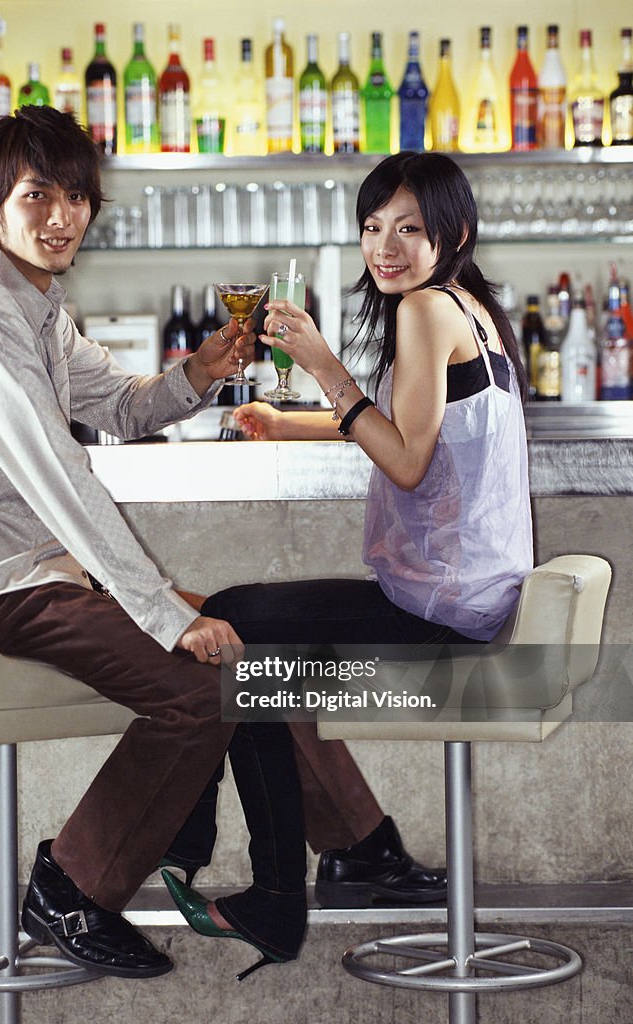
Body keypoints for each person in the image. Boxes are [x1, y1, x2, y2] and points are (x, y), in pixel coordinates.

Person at [0, 105, 309, 982]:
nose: (61, 215)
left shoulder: (32, 305)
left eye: (76, 195)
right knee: (201, 684)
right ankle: (71, 886)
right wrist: (157, 611)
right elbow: (59, 478)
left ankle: (350, 851)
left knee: (246, 643)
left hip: (28, 577)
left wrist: (200, 371)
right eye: (38, 194)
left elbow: (116, 407)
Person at [161, 152, 533, 945]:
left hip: (441, 608)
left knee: (233, 630)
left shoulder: (424, 311)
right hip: (468, 598)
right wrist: (287, 418)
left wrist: (322, 365)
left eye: (407, 227)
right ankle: (346, 858)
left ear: (452, 233)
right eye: (372, 227)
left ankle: (248, 875)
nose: (384, 246)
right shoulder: (465, 308)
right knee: (248, 643)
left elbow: (402, 459)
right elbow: (407, 430)